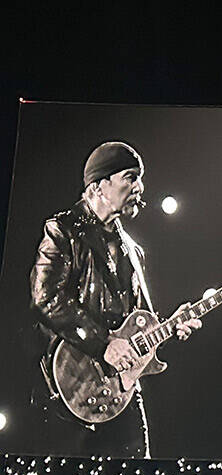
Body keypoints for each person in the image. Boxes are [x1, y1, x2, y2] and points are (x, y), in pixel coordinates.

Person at [28, 141, 200, 457]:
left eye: (140, 178)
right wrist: (103, 343)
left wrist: (172, 324)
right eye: (130, 177)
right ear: (99, 186)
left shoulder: (134, 251)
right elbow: (46, 297)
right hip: (69, 391)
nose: (140, 187)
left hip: (120, 395)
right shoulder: (63, 230)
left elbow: (138, 320)